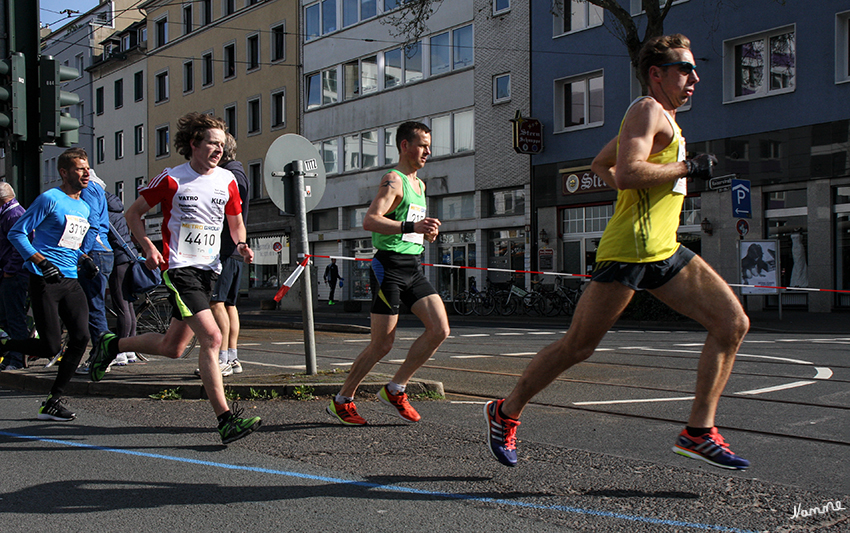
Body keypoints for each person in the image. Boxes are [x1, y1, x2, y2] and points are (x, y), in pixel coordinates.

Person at [484, 34, 751, 470]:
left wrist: (655, 185)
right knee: (577, 347)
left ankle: (698, 432)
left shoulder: (663, 119)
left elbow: (600, 165)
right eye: (685, 69)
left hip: (662, 249)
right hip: (629, 250)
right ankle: (505, 410)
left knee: (732, 323)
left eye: (694, 69)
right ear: (656, 74)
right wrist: (687, 167)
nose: (695, 78)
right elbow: (626, 172)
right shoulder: (646, 109)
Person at [86, 112, 261, 444]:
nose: (218, 150)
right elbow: (133, 214)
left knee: (173, 346)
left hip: (209, 270)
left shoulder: (227, 181)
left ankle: (112, 344)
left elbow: (235, 221)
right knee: (211, 337)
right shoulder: (171, 179)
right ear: (194, 144)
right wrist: (149, 247)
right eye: (212, 143)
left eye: (222, 145)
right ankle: (226, 419)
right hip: (179, 270)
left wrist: (241, 244)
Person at [326, 121, 449, 426]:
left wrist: (426, 233)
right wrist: (411, 227)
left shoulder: (419, 185)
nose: (428, 151)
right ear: (405, 146)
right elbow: (370, 221)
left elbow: (410, 228)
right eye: (422, 145)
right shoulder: (393, 181)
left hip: (413, 266)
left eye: (429, 145)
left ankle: (396, 388)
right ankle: (342, 400)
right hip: (388, 268)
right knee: (382, 344)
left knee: (440, 329)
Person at [1, 148, 100, 420]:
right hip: (45, 280)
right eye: (80, 169)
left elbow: (69, 242)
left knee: (81, 338)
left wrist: (84, 258)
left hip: (71, 279)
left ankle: (53, 401)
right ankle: (7, 345)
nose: (86, 173)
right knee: (50, 347)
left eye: (87, 168)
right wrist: (41, 262)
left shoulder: (84, 207)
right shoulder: (49, 199)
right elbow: (16, 233)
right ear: (64, 172)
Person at [208, 132, 249, 376]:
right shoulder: (241, 173)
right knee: (230, 304)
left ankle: (222, 358)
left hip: (224, 247)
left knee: (216, 303)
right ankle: (232, 357)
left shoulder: (228, 176)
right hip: (236, 247)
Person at [75, 170, 114, 374]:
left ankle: (100, 357)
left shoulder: (88, 188)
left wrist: (83, 254)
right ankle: (99, 354)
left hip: (95, 251)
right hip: (102, 251)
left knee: (93, 307)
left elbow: (91, 224)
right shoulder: (98, 187)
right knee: (94, 305)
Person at [105, 188, 139, 366]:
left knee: (121, 306)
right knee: (128, 305)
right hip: (127, 257)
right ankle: (130, 348)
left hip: (117, 260)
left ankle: (121, 350)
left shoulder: (103, 211)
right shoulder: (117, 209)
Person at [0, 182, 29, 371]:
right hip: (11, 273)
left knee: (14, 317)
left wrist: (9, 270)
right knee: (6, 317)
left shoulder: (13, 215)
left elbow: (21, 246)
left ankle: (17, 358)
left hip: (15, 275)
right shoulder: (9, 214)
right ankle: (15, 353)